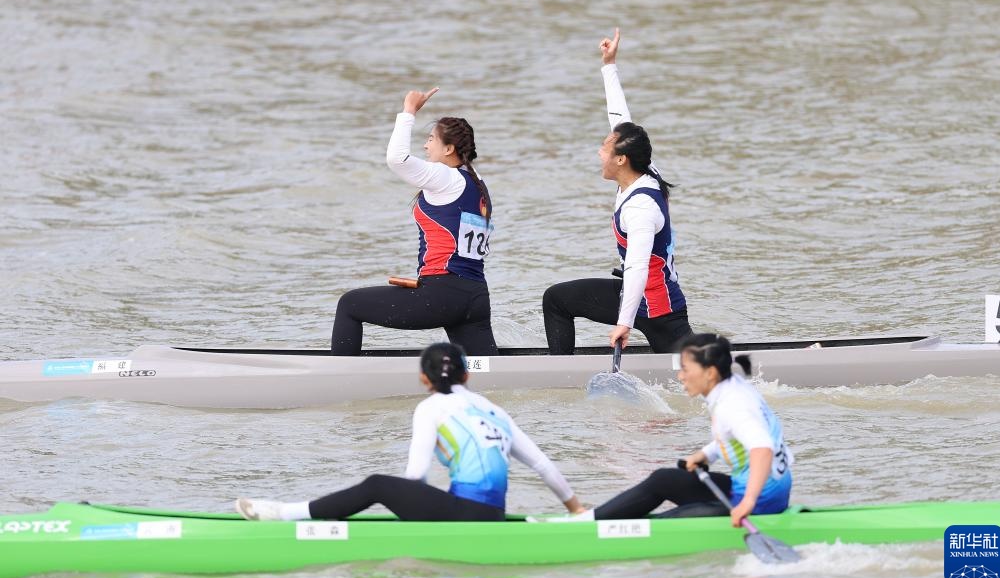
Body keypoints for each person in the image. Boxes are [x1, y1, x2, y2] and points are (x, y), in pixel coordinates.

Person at [236, 342, 584, 522]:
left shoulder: (430, 408)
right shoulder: (494, 410)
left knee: (377, 485)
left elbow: (416, 477)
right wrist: (576, 512)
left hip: (466, 515)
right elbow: (543, 465)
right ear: (467, 375)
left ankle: (288, 515)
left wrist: (413, 505)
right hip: (492, 514)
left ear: (423, 378)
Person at [543, 28, 691, 355]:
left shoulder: (640, 208)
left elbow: (637, 266)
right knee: (557, 299)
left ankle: (559, 373)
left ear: (621, 159)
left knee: (696, 370)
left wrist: (624, 323)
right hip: (641, 296)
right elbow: (620, 119)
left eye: (604, 148)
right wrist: (609, 65)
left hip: (657, 307)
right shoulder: (645, 170)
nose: (599, 153)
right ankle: (561, 369)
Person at [557, 333, 793, 526]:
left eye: (685, 370)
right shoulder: (734, 387)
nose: (680, 376)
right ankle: (593, 519)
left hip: (759, 499)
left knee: (662, 513)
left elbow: (763, 448)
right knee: (664, 480)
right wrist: (705, 455)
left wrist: (748, 502)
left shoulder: (731, 405)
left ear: (710, 373)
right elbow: (736, 435)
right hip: (768, 489)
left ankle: (587, 525)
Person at [331, 88, 499, 356]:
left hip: (443, 296)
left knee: (350, 305)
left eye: (431, 139)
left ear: (449, 149)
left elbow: (396, 159)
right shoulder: (477, 181)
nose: (425, 146)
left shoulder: (445, 177)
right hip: (475, 297)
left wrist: (408, 111)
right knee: (482, 369)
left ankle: (339, 374)